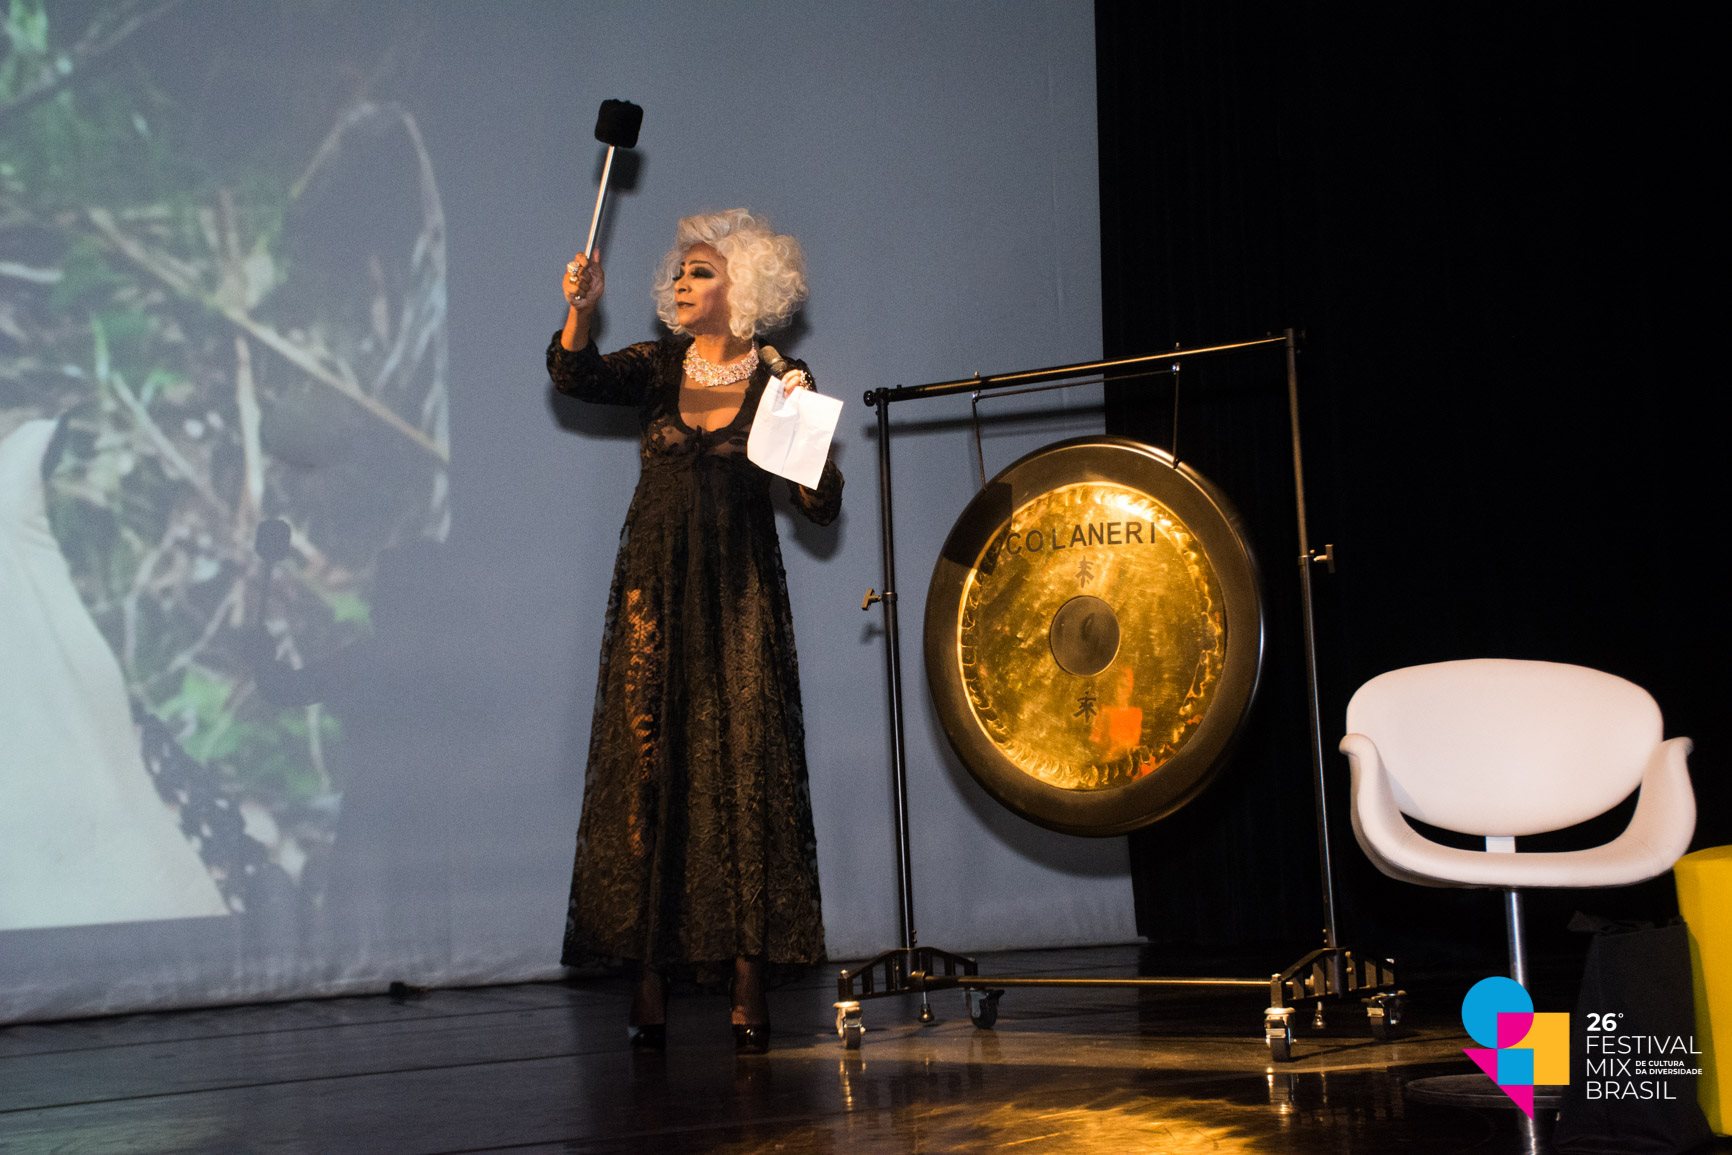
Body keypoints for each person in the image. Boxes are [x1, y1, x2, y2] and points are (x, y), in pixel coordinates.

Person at [546, 209, 841, 1055]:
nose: (682, 281)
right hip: (655, 593)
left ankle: (748, 976)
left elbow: (820, 505)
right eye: (679, 272)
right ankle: (649, 975)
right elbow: (573, 375)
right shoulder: (657, 365)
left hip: (740, 594)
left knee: (745, 775)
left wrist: (803, 426)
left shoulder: (779, 374)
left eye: (701, 271)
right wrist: (580, 308)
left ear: (742, 288)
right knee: (649, 773)